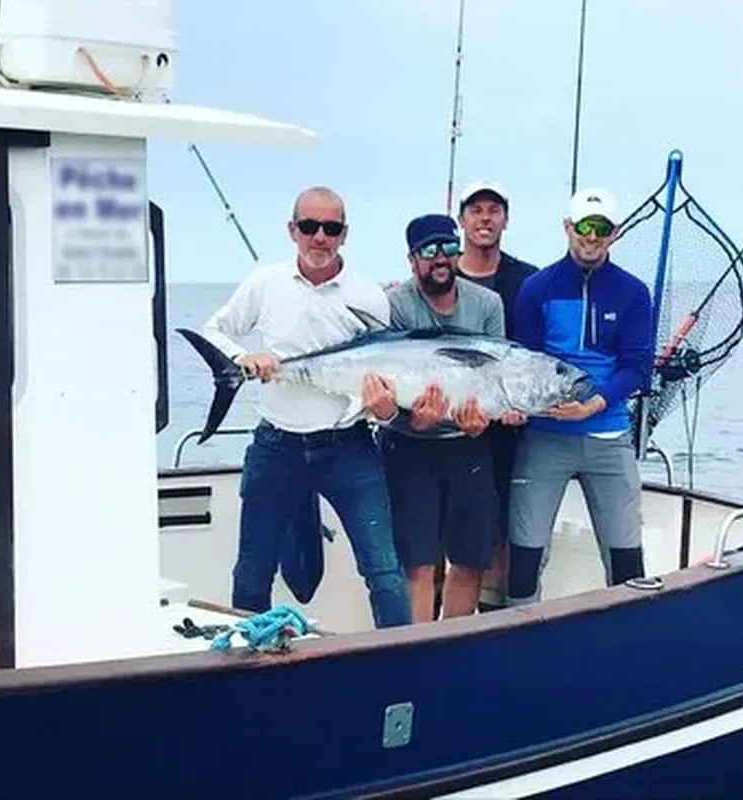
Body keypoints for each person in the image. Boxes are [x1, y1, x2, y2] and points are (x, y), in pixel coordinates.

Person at [201, 186, 412, 629]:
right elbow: (216, 330)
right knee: (252, 571)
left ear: (344, 234)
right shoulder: (265, 283)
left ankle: (400, 668)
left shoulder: (370, 295)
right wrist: (242, 358)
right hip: (276, 446)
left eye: (330, 228)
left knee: (385, 572)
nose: (320, 237)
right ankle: (247, 668)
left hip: (349, 447)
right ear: (292, 230)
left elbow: (386, 379)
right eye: (309, 227)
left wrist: (385, 408)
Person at [368, 212, 524, 623]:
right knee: (418, 563)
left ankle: (452, 651)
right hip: (408, 447)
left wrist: (482, 422)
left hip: (468, 445)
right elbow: (389, 394)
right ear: (412, 259)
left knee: (470, 559)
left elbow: (494, 379)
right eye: (429, 250)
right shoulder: (395, 303)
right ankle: (415, 655)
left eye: (449, 247)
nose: (441, 258)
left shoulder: (488, 304)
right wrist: (415, 421)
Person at [506, 187, 654, 606]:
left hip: (609, 437)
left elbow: (636, 366)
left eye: (601, 228)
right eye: (584, 227)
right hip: (544, 437)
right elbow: (523, 361)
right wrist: (523, 409)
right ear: (567, 227)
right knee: (525, 555)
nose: (592, 237)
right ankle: (520, 639)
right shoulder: (537, 288)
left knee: (626, 558)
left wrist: (594, 404)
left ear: (615, 233)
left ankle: (629, 640)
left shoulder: (633, 292)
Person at [454, 180, 539, 611]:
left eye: (494, 210)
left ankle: (493, 619)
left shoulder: (528, 280)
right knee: (441, 533)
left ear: (506, 219)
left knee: (502, 530)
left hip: (507, 424)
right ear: (462, 219)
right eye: (476, 210)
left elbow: (537, 349)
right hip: (447, 427)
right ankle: (428, 629)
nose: (485, 218)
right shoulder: (440, 272)